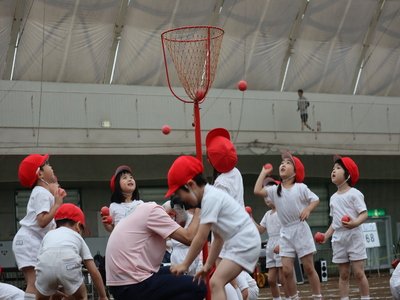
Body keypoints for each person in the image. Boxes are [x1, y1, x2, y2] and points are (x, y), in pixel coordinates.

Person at [167, 155, 261, 300]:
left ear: (191, 185)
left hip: (244, 243)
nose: (183, 200)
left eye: (181, 194)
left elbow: (201, 236)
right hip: (245, 241)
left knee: (216, 283)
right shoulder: (211, 196)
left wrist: (185, 264)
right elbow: (218, 237)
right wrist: (208, 265)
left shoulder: (210, 199)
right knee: (217, 282)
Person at [105, 196, 205, 300]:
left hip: (120, 284)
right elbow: (189, 238)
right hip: (132, 285)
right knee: (198, 286)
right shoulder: (155, 212)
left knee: (172, 270)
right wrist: (198, 209)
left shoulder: (142, 210)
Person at [254, 152, 322, 300]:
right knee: (286, 271)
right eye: (282, 163)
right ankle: (293, 297)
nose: (283, 164)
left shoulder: (301, 187)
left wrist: (308, 209)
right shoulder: (274, 190)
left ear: (296, 172)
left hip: (301, 228)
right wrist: (263, 172)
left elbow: (315, 200)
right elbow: (257, 190)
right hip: (285, 232)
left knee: (309, 268)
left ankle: (317, 296)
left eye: (288, 163)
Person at [12, 154, 66, 300]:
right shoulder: (41, 193)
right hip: (28, 241)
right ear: (40, 173)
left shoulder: (43, 193)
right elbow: (42, 221)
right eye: (47, 164)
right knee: (35, 283)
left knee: (46, 284)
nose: (51, 166)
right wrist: (57, 204)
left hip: (29, 241)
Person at [316, 156, 370, 300]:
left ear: (348, 174)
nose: (334, 171)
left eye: (338, 168)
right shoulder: (333, 198)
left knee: (358, 273)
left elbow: (364, 214)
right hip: (339, 238)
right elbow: (335, 223)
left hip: (354, 236)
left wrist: (355, 223)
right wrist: (325, 235)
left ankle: (365, 297)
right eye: (333, 169)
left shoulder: (355, 193)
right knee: (344, 274)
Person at [35, 203, 108, 300]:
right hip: (68, 267)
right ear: (78, 226)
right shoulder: (77, 236)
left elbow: (41, 261)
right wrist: (103, 296)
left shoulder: (48, 235)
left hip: (45, 269)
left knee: (41, 298)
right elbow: (93, 271)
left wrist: (50, 288)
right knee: (81, 296)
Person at [254, 177, 289, 300]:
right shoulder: (267, 214)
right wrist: (250, 218)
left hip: (281, 244)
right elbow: (260, 230)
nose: (267, 199)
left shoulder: (282, 211)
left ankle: (289, 297)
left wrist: (283, 244)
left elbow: (287, 228)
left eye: (269, 195)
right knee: (271, 279)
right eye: (265, 196)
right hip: (270, 246)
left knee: (283, 277)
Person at [102, 165, 144, 232]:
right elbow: (112, 230)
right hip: (121, 241)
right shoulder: (113, 206)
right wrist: (107, 225)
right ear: (117, 185)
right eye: (125, 178)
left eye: (131, 177)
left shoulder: (141, 204)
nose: (130, 179)